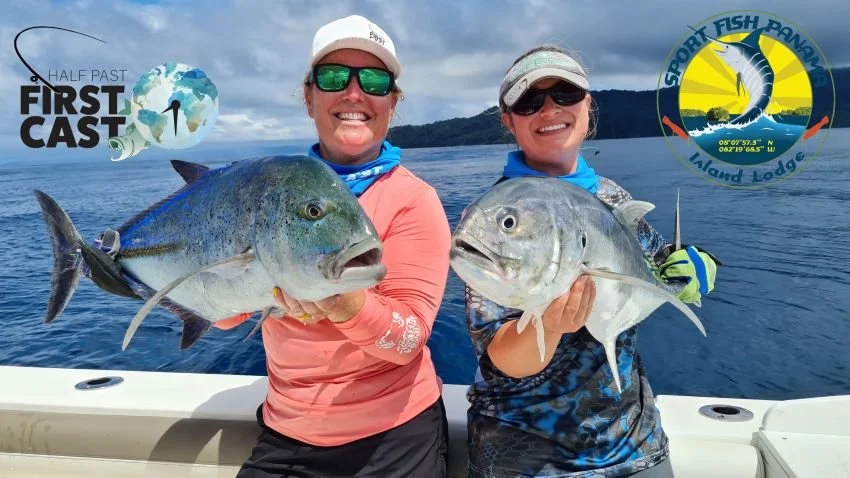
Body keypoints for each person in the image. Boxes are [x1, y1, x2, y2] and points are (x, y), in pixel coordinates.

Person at [464, 45, 721, 477]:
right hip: (525, 458)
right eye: (529, 101)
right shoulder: (494, 222)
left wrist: (695, 269)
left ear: (587, 105)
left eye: (565, 94)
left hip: (635, 444)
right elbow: (501, 359)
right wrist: (548, 326)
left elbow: (658, 269)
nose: (550, 109)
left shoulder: (614, 198)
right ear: (508, 120)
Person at [214, 15, 452, 478]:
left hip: (396, 438)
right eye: (334, 77)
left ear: (393, 101)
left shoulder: (414, 200)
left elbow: (408, 341)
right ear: (309, 97)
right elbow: (224, 317)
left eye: (375, 81)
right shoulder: (267, 192)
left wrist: (342, 304)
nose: (354, 93)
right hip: (288, 435)